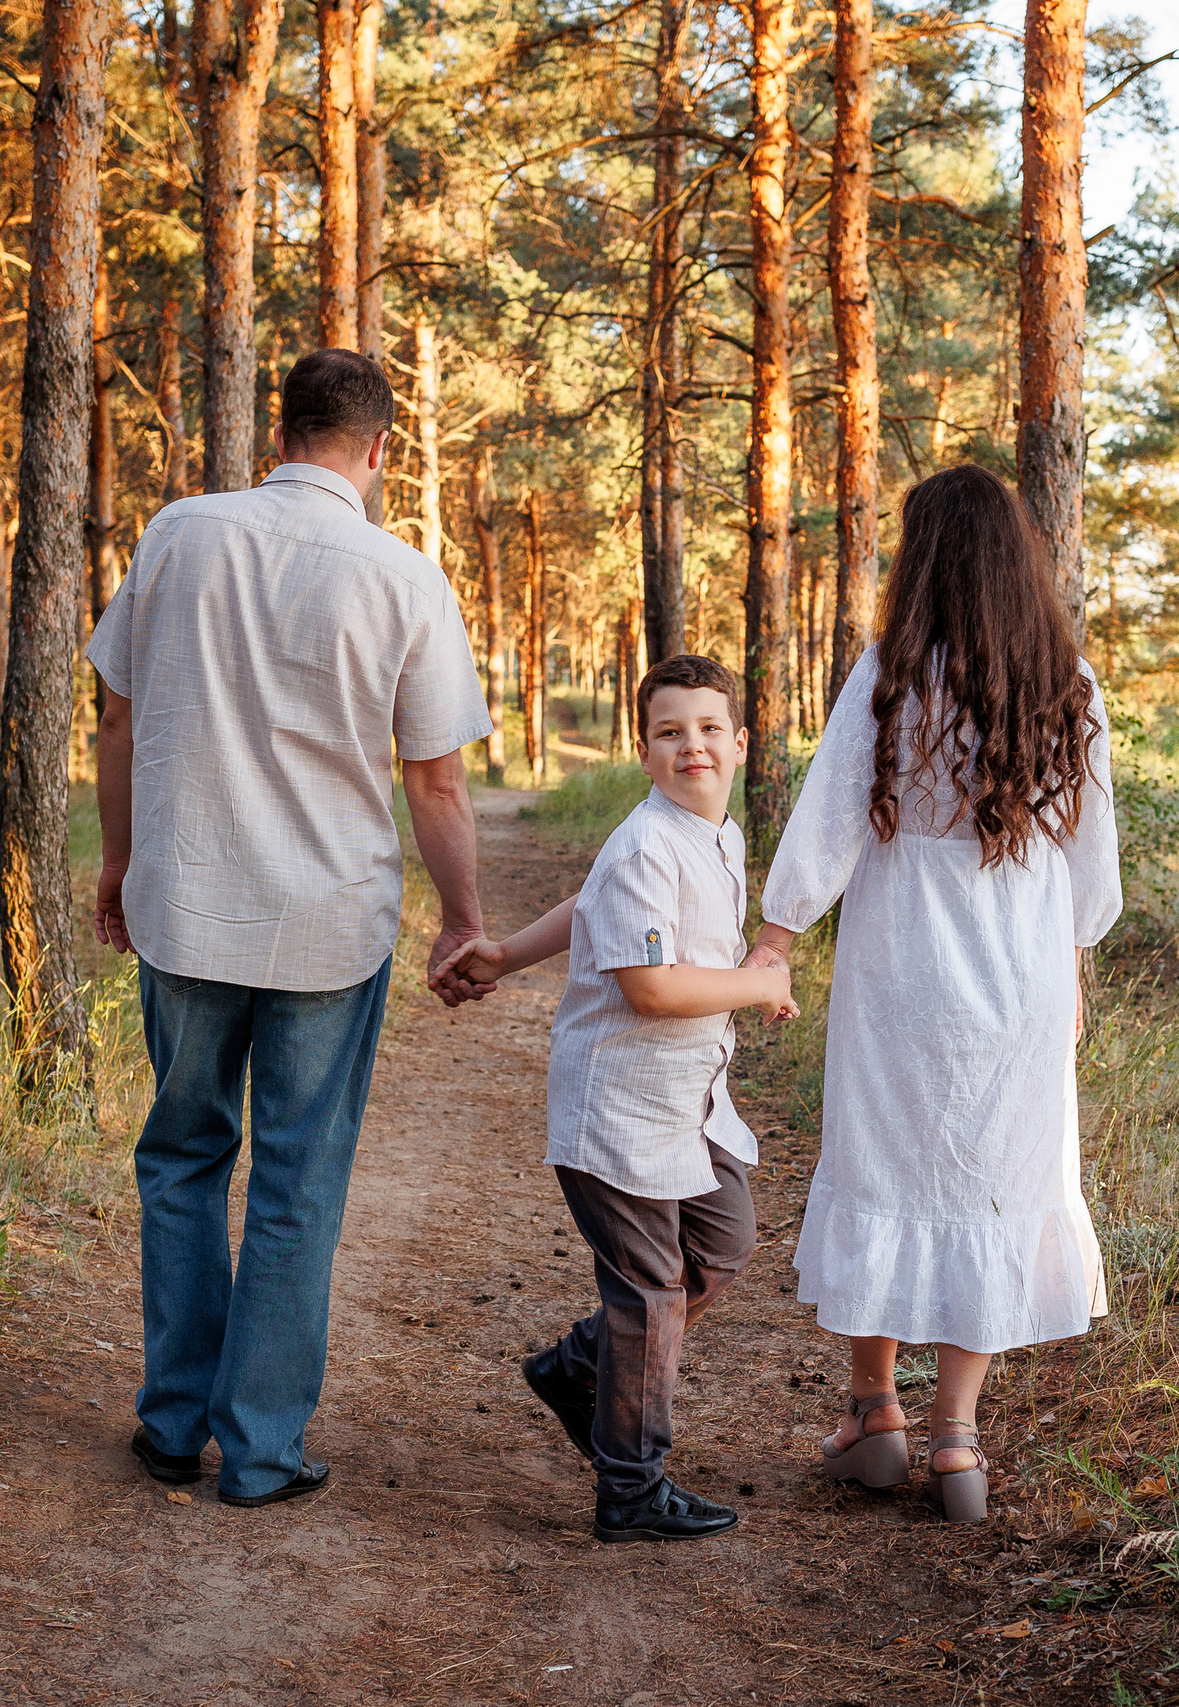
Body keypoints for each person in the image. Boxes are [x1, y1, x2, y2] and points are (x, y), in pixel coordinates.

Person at [89, 349, 495, 1508]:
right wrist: (460, 924)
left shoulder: (179, 534)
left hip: (187, 904)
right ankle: (260, 1452)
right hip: (325, 925)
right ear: (379, 451)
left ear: (283, 431)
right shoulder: (403, 578)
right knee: (297, 1180)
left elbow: (116, 721)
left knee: (180, 1160)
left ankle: (172, 1426)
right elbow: (437, 786)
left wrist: (120, 862)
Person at [746, 465, 1121, 1523]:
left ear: (921, 562)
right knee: (993, 1183)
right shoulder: (1070, 685)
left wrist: (772, 940)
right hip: (1023, 971)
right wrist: (1073, 973)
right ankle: (955, 1434)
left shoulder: (890, 673)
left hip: (904, 968)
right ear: (1017, 562)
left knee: (884, 1166)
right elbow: (1090, 872)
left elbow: (826, 825)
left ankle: (874, 1408)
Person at [434, 655, 797, 1541]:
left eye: (710, 729)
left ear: (741, 744)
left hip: (690, 1097)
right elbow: (649, 987)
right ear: (644, 750)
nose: (693, 746)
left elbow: (590, 904)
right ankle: (631, 1485)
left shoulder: (715, 834)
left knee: (726, 1240)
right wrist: (758, 983)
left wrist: (505, 952)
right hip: (622, 1108)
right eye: (670, 732)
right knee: (651, 1290)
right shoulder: (645, 840)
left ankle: (579, 1369)